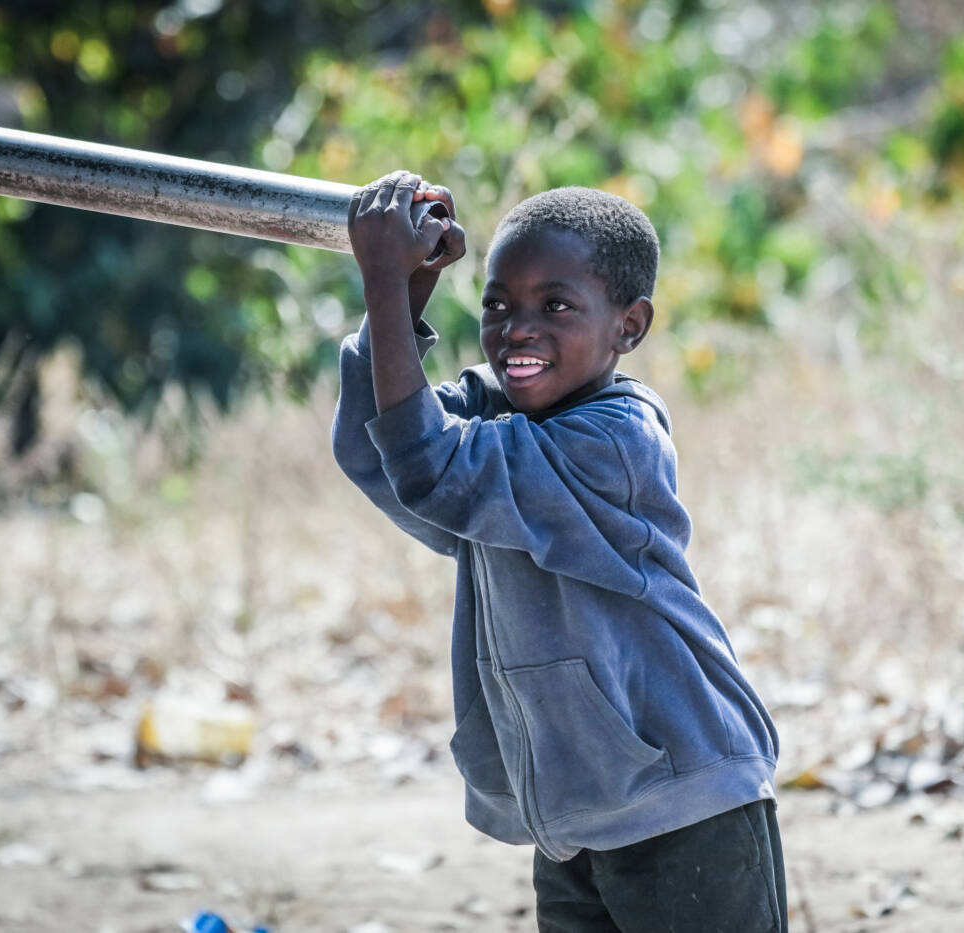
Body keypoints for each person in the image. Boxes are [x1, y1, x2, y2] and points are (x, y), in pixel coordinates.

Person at [332, 170, 785, 931]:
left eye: (556, 305)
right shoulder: (498, 412)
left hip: (686, 803)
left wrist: (381, 277)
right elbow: (376, 451)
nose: (517, 328)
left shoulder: (614, 440)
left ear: (629, 327)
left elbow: (429, 467)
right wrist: (405, 292)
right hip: (575, 816)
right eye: (498, 303)